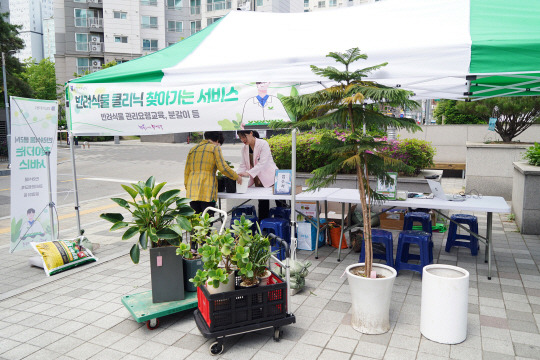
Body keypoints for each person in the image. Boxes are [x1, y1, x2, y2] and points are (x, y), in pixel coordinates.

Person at [184, 131, 242, 214]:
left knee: (195, 221)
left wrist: (187, 187)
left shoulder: (193, 149)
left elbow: (187, 171)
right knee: (207, 221)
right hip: (207, 188)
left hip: (192, 189)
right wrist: (236, 177)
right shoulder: (214, 148)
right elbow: (223, 168)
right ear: (217, 140)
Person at [236, 130, 284, 220]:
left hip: (272, 178)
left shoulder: (263, 144)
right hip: (258, 179)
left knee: (280, 204)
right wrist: (236, 175)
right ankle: (263, 228)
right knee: (262, 204)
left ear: (251, 133)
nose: (242, 139)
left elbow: (263, 163)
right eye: (240, 137)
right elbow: (243, 165)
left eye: (244, 137)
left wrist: (248, 173)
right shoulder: (244, 148)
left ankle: (284, 224)